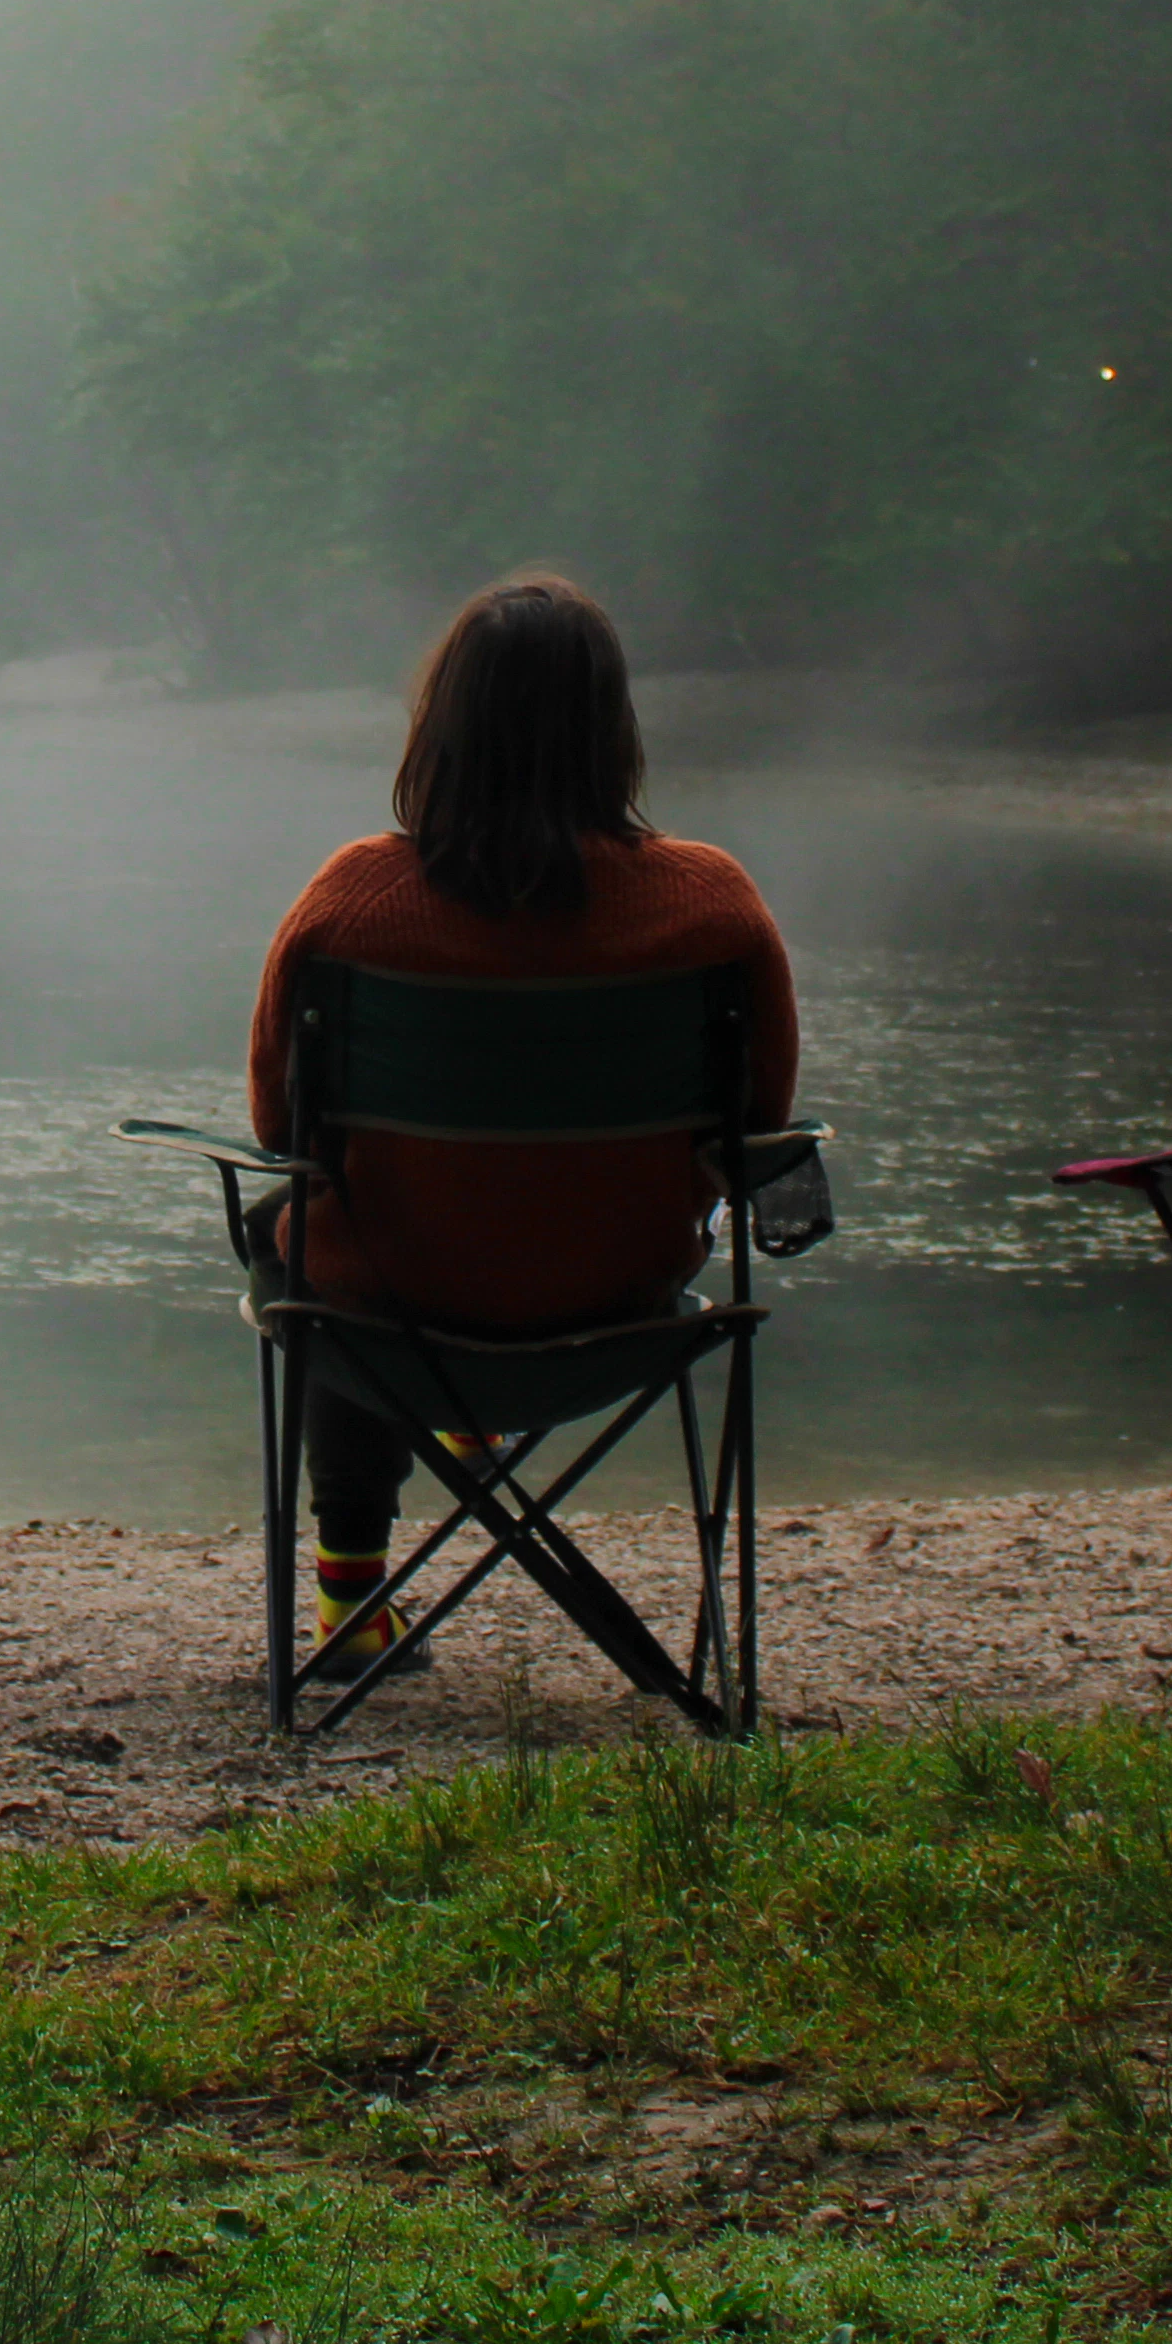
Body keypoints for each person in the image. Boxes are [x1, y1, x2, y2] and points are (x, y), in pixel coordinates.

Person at [240, 572, 799, 1677]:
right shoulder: (714, 903)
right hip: (620, 1304)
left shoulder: (354, 897)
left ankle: (353, 1603)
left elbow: (279, 1122)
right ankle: (475, 1436)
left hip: (398, 1315)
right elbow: (759, 1125)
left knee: (304, 1233)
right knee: (359, 1235)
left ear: (440, 727)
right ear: (612, 731)